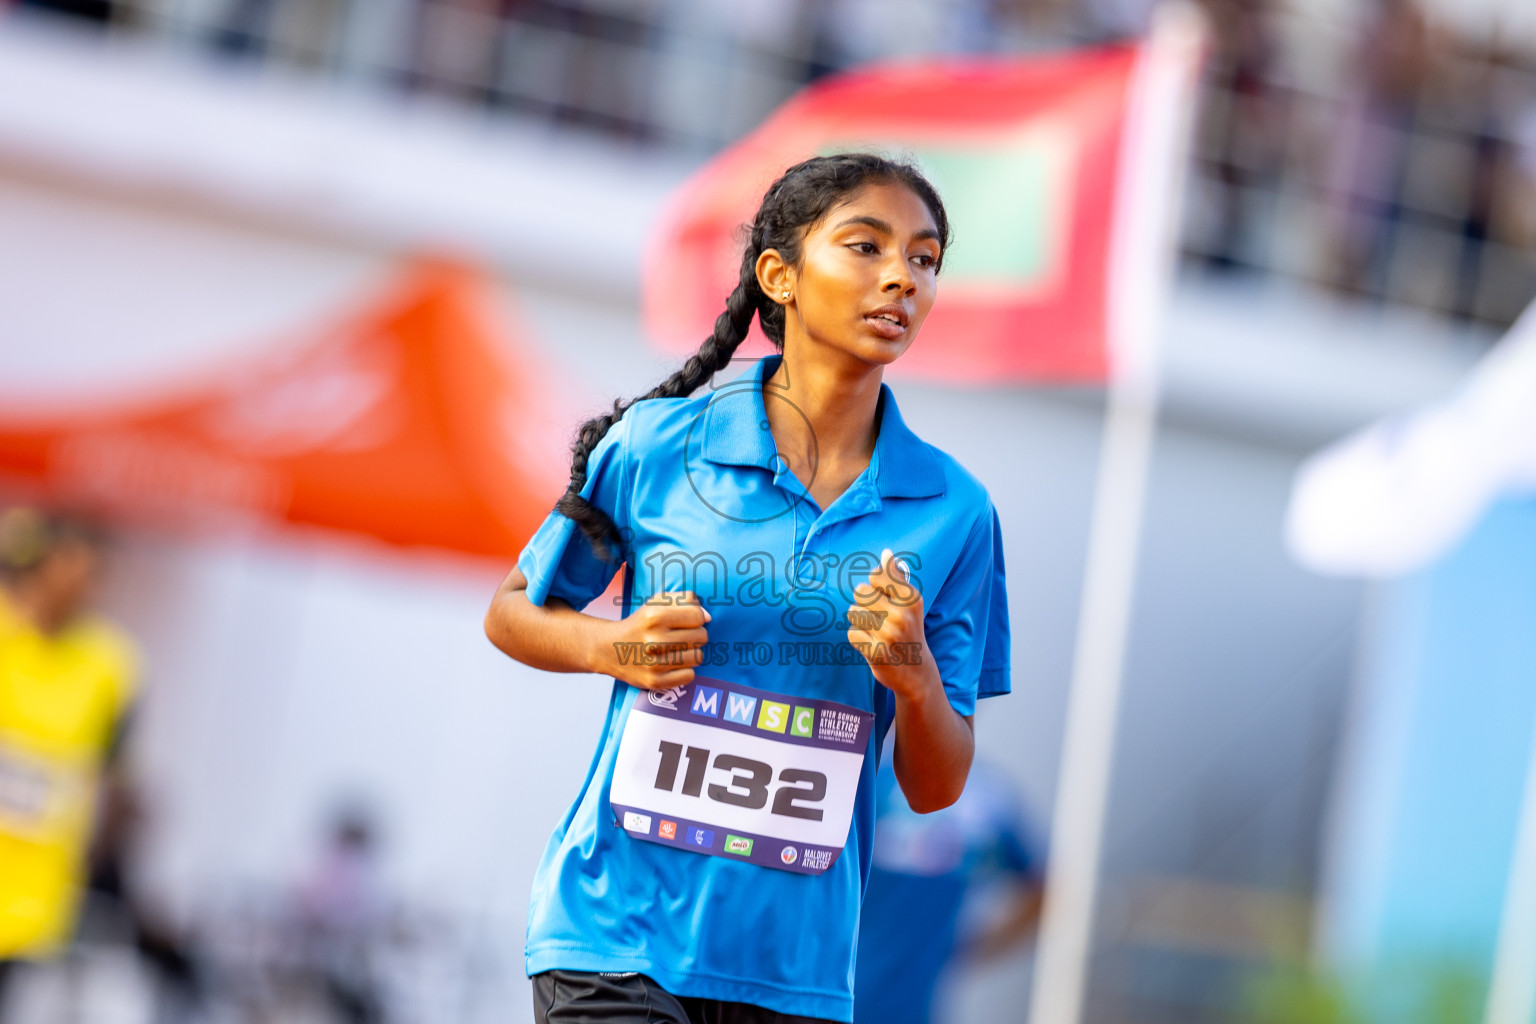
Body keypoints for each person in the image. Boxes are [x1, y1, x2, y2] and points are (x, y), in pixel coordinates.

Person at [484, 152, 1011, 1024]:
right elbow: (514, 611)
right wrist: (609, 646)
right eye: (866, 246)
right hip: (615, 933)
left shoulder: (954, 511)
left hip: (794, 973)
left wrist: (914, 674)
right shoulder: (656, 446)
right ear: (780, 275)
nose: (901, 279)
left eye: (923, 260)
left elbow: (936, 784)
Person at [0, 508, 139, 1007]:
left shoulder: (111, 664)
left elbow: (118, 774)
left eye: (94, 574)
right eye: (72, 568)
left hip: (37, 886)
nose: (83, 586)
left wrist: (100, 865)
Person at [852, 755, 1043, 1024]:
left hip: (907, 1005)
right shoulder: (865, 775)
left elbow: (1040, 889)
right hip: (841, 999)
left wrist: (968, 950)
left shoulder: (986, 797)